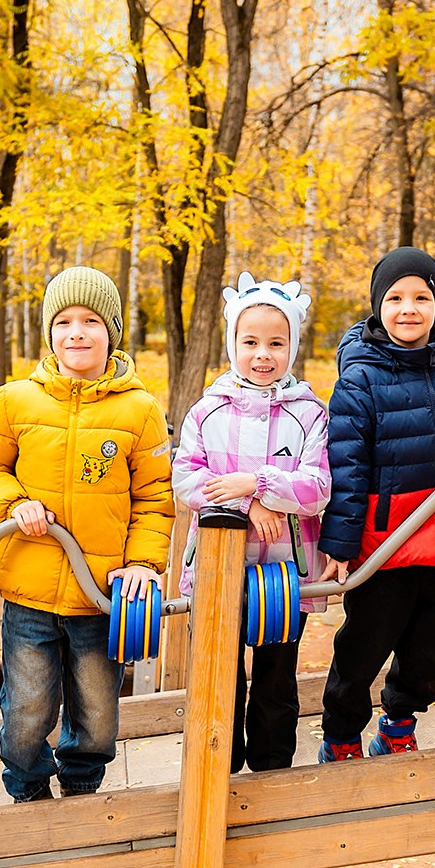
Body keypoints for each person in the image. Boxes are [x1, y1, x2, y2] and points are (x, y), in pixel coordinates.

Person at [0, 266, 174, 801]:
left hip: (102, 593)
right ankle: (28, 787)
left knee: (98, 711)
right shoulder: (16, 400)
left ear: (113, 331)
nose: (76, 332)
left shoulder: (140, 410)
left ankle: (83, 788)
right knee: (27, 707)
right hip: (30, 585)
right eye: (63, 321)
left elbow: (155, 498)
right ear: (48, 332)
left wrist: (144, 565)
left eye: (90, 321)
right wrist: (15, 505)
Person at [317, 247, 435, 760]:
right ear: (378, 305)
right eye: (395, 298)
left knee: (428, 654)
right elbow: (347, 467)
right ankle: (340, 733)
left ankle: (400, 722)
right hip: (386, 542)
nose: (408, 308)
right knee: (364, 645)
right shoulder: (360, 377)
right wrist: (341, 542)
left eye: (421, 297)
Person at [173, 273, 329, 771]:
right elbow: (187, 481)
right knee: (220, 673)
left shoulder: (309, 414)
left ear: (293, 348)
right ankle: (217, 768)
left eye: (276, 343)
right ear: (232, 344)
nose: (263, 354)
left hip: (286, 576)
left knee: (276, 679)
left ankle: (271, 768)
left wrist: (260, 485)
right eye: (251, 341)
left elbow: (318, 487)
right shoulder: (207, 412)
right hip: (219, 572)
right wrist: (248, 504)